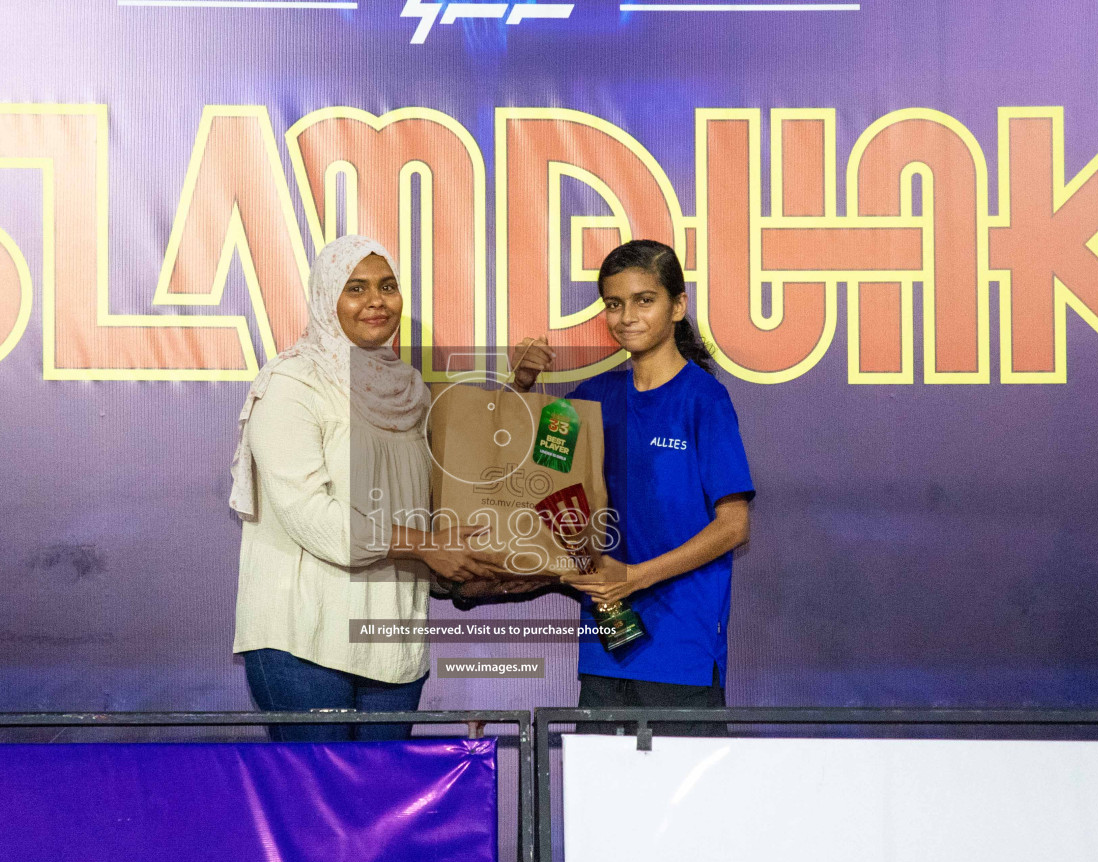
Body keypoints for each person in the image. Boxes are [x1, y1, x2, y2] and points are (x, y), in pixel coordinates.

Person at [230, 235, 499, 741]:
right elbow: (315, 518)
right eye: (356, 288)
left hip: (391, 641)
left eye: (388, 286)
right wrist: (427, 546)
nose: (376, 300)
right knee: (318, 807)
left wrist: (466, 558)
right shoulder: (293, 383)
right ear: (327, 298)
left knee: (380, 809)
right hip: (303, 639)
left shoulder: (411, 392)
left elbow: (422, 509)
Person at [512, 239, 754, 733]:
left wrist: (638, 576)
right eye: (614, 303)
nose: (627, 316)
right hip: (606, 645)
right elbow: (525, 472)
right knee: (598, 806)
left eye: (645, 300)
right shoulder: (591, 398)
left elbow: (733, 527)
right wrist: (522, 384)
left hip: (681, 649)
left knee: (685, 807)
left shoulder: (705, 400)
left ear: (677, 306)